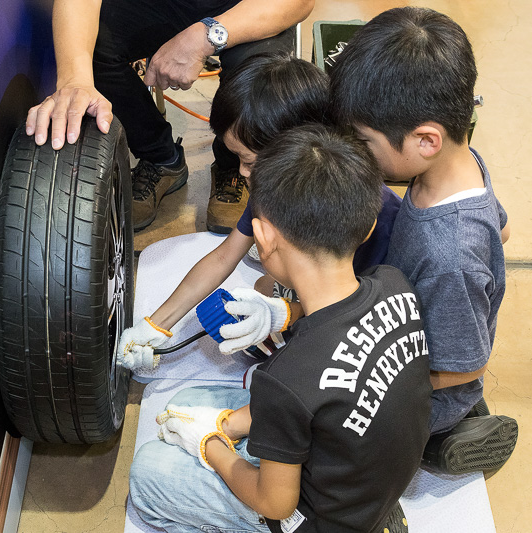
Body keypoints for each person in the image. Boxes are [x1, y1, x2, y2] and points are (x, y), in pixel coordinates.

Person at [128, 125, 432, 532]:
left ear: (263, 237)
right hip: (370, 482)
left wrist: (210, 445)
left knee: (148, 473)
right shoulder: (393, 283)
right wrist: (284, 315)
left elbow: (274, 503)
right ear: (367, 227)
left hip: (317, 520)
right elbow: (321, 393)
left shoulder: (286, 378)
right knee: (190, 402)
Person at [115, 52, 403, 370]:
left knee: (282, 354)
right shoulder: (278, 185)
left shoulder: (371, 213)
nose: (242, 172)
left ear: (293, 149)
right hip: (318, 289)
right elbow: (224, 257)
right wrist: (156, 325)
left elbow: (362, 309)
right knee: (263, 288)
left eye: (249, 162)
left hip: (357, 309)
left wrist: (290, 315)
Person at [329, 6, 518, 475]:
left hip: (430, 387)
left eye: (364, 141)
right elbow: (501, 227)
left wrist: (370, 383)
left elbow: (468, 363)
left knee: (331, 435)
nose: (357, 151)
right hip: (414, 323)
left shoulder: (449, 254)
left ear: (426, 141)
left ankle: (432, 442)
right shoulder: (459, 162)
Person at [25, 0, 314, 231]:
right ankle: (161, 159)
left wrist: (202, 38)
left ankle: (232, 166)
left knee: (258, 79)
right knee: (90, 48)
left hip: (246, 5)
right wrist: (75, 80)